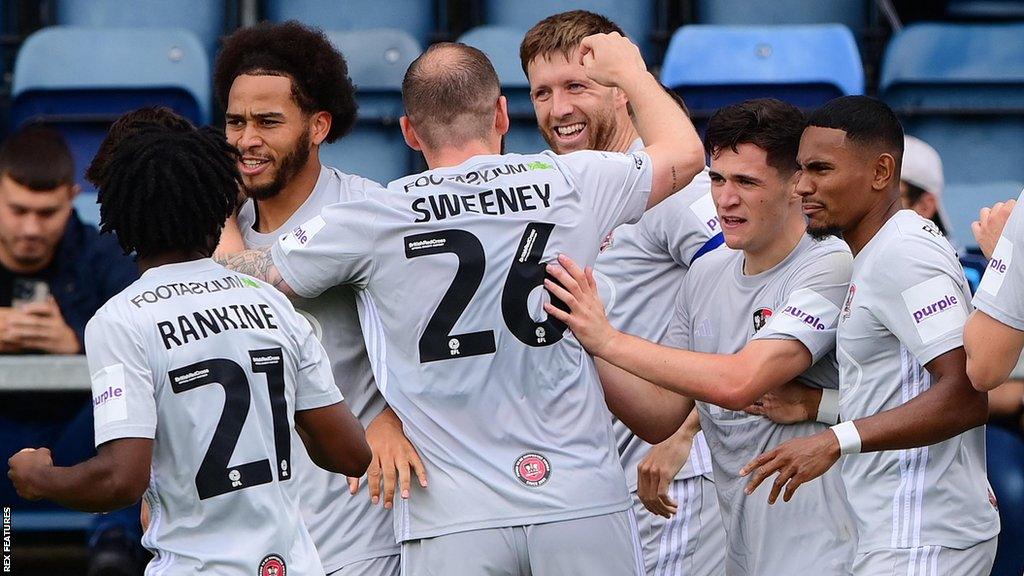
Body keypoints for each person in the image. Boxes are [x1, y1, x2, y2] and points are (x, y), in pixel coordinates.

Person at [218, 34, 705, 575]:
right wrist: (632, 72)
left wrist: (217, 211)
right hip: (577, 496)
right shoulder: (572, 180)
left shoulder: (376, 214)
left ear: (408, 130)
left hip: (451, 512)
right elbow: (685, 154)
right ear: (501, 114)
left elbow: (246, 285)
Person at [7, 118, 371, 575]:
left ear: (120, 216)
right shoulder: (270, 301)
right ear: (217, 204)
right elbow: (350, 454)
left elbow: (120, 480)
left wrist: (39, 477)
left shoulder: (123, 318)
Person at [544, 98, 856, 575]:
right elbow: (659, 416)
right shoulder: (706, 272)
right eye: (716, 178)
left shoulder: (830, 263)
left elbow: (740, 382)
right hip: (745, 546)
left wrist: (607, 339)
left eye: (746, 182)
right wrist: (582, 333)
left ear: (797, 185)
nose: (725, 199)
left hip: (829, 550)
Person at [740, 96, 998, 575]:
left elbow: (964, 395)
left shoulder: (904, 255)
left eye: (820, 169)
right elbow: (905, 389)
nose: (801, 186)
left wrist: (834, 439)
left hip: (920, 535)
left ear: (881, 173)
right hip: (900, 532)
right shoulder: (879, 252)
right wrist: (818, 408)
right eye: (799, 169)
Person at [212, 21, 424, 576]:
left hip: (353, 533)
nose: (246, 139)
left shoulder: (366, 210)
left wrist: (392, 416)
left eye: (268, 122)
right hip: (243, 537)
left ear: (318, 126)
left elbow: (429, 343)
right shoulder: (214, 227)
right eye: (235, 122)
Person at [520, 11, 725, 576]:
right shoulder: (555, 187)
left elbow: (751, 300)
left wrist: (687, 430)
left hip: (668, 480)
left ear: (621, 91)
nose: (558, 109)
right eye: (542, 92)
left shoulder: (677, 190)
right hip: (590, 485)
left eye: (576, 86)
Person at [0, 125, 144, 575]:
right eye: (17, 210)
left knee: (138, 407)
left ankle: (113, 541)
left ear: (71, 198)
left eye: (46, 213)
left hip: (79, 435)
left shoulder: (103, 254)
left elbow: (147, 342)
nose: (30, 228)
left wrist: (77, 343)